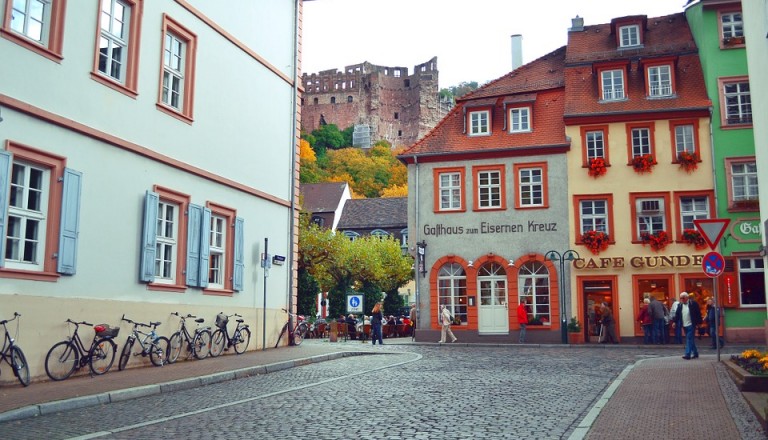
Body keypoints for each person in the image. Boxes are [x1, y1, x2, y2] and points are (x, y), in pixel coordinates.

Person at [674, 292, 702, 360]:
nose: (682, 300)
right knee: (690, 339)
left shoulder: (693, 304)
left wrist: (699, 323)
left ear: (687, 297)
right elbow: (677, 314)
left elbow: (698, 313)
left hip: (691, 324)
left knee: (689, 338)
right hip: (684, 324)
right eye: (680, 298)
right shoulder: (680, 305)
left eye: (683, 298)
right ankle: (695, 353)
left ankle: (687, 354)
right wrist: (675, 322)